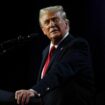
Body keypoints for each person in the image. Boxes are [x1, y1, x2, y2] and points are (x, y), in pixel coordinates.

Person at [1, 5, 95, 105]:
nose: (52, 25)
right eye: (47, 22)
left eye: (55, 20)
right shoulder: (46, 51)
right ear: (43, 30)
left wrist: (34, 90)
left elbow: (59, 72)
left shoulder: (77, 45)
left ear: (66, 24)